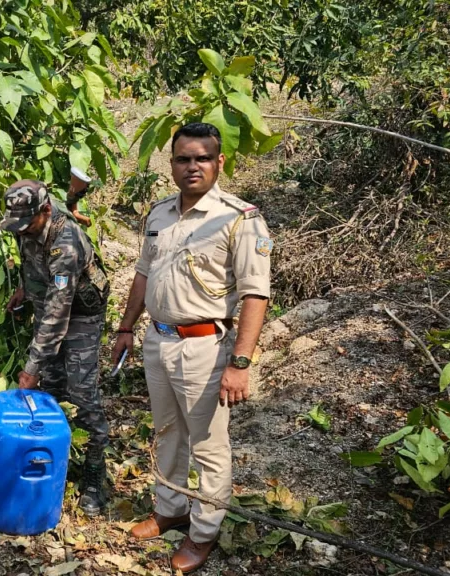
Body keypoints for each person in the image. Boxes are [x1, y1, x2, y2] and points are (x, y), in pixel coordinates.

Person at [110, 122, 271, 573]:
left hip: (204, 347)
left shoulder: (239, 217)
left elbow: (256, 293)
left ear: (219, 162)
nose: (192, 166)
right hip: (157, 341)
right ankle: (170, 510)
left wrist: (240, 363)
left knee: (208, 445)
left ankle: (203, 533)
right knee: (168, 433)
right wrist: (126, 328)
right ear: (172, 164)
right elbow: (144, 274)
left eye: (202, 158)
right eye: (183, 159)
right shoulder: (160, 214)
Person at [0, 179, 112, 516]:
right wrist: (23, 288)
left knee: (81, 389)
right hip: (48, 303)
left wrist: (30, 367)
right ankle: (57, 452)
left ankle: (95, 472)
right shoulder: (31, 220)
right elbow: (32, 258)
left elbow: (58, 313)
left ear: (45, 211)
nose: (21, 231)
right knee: (52, 384)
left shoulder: (67, 244)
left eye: (26, 224)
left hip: (81, 313)